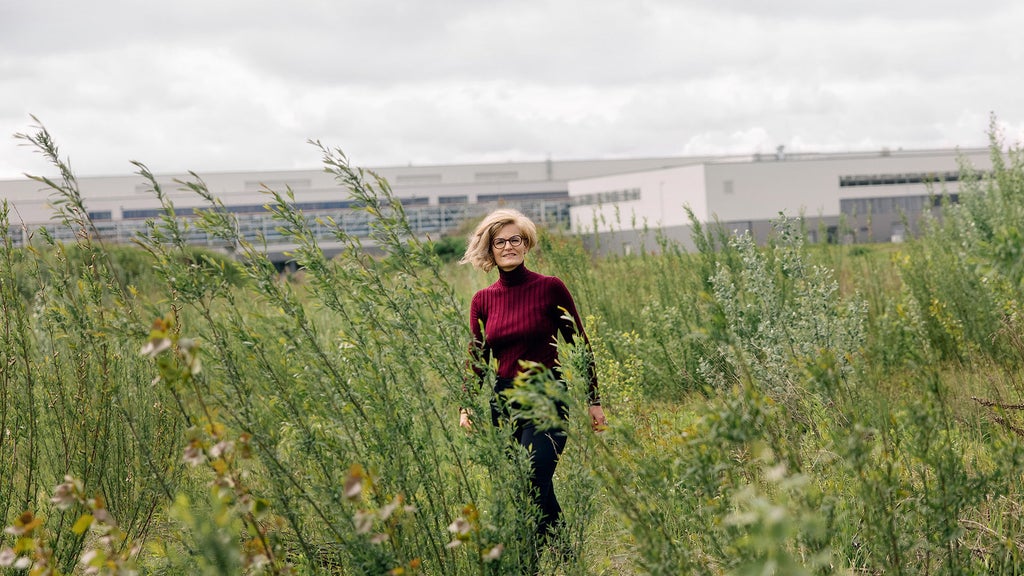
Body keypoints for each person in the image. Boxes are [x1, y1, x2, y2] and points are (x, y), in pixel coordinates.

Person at [458, 208, 607, 548]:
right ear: (490, 250)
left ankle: (560, 558)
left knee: (533, 476)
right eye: (500, 241)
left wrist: (593, 401)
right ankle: (540, 561)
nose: (508, 246)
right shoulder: (482, 300)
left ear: (526, 245)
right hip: (504, 402)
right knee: (522, 487)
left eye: (515, 239)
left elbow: (580, 345)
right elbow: (478, 358)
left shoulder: (550, 288)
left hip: (547, 397)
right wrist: (466, 405)